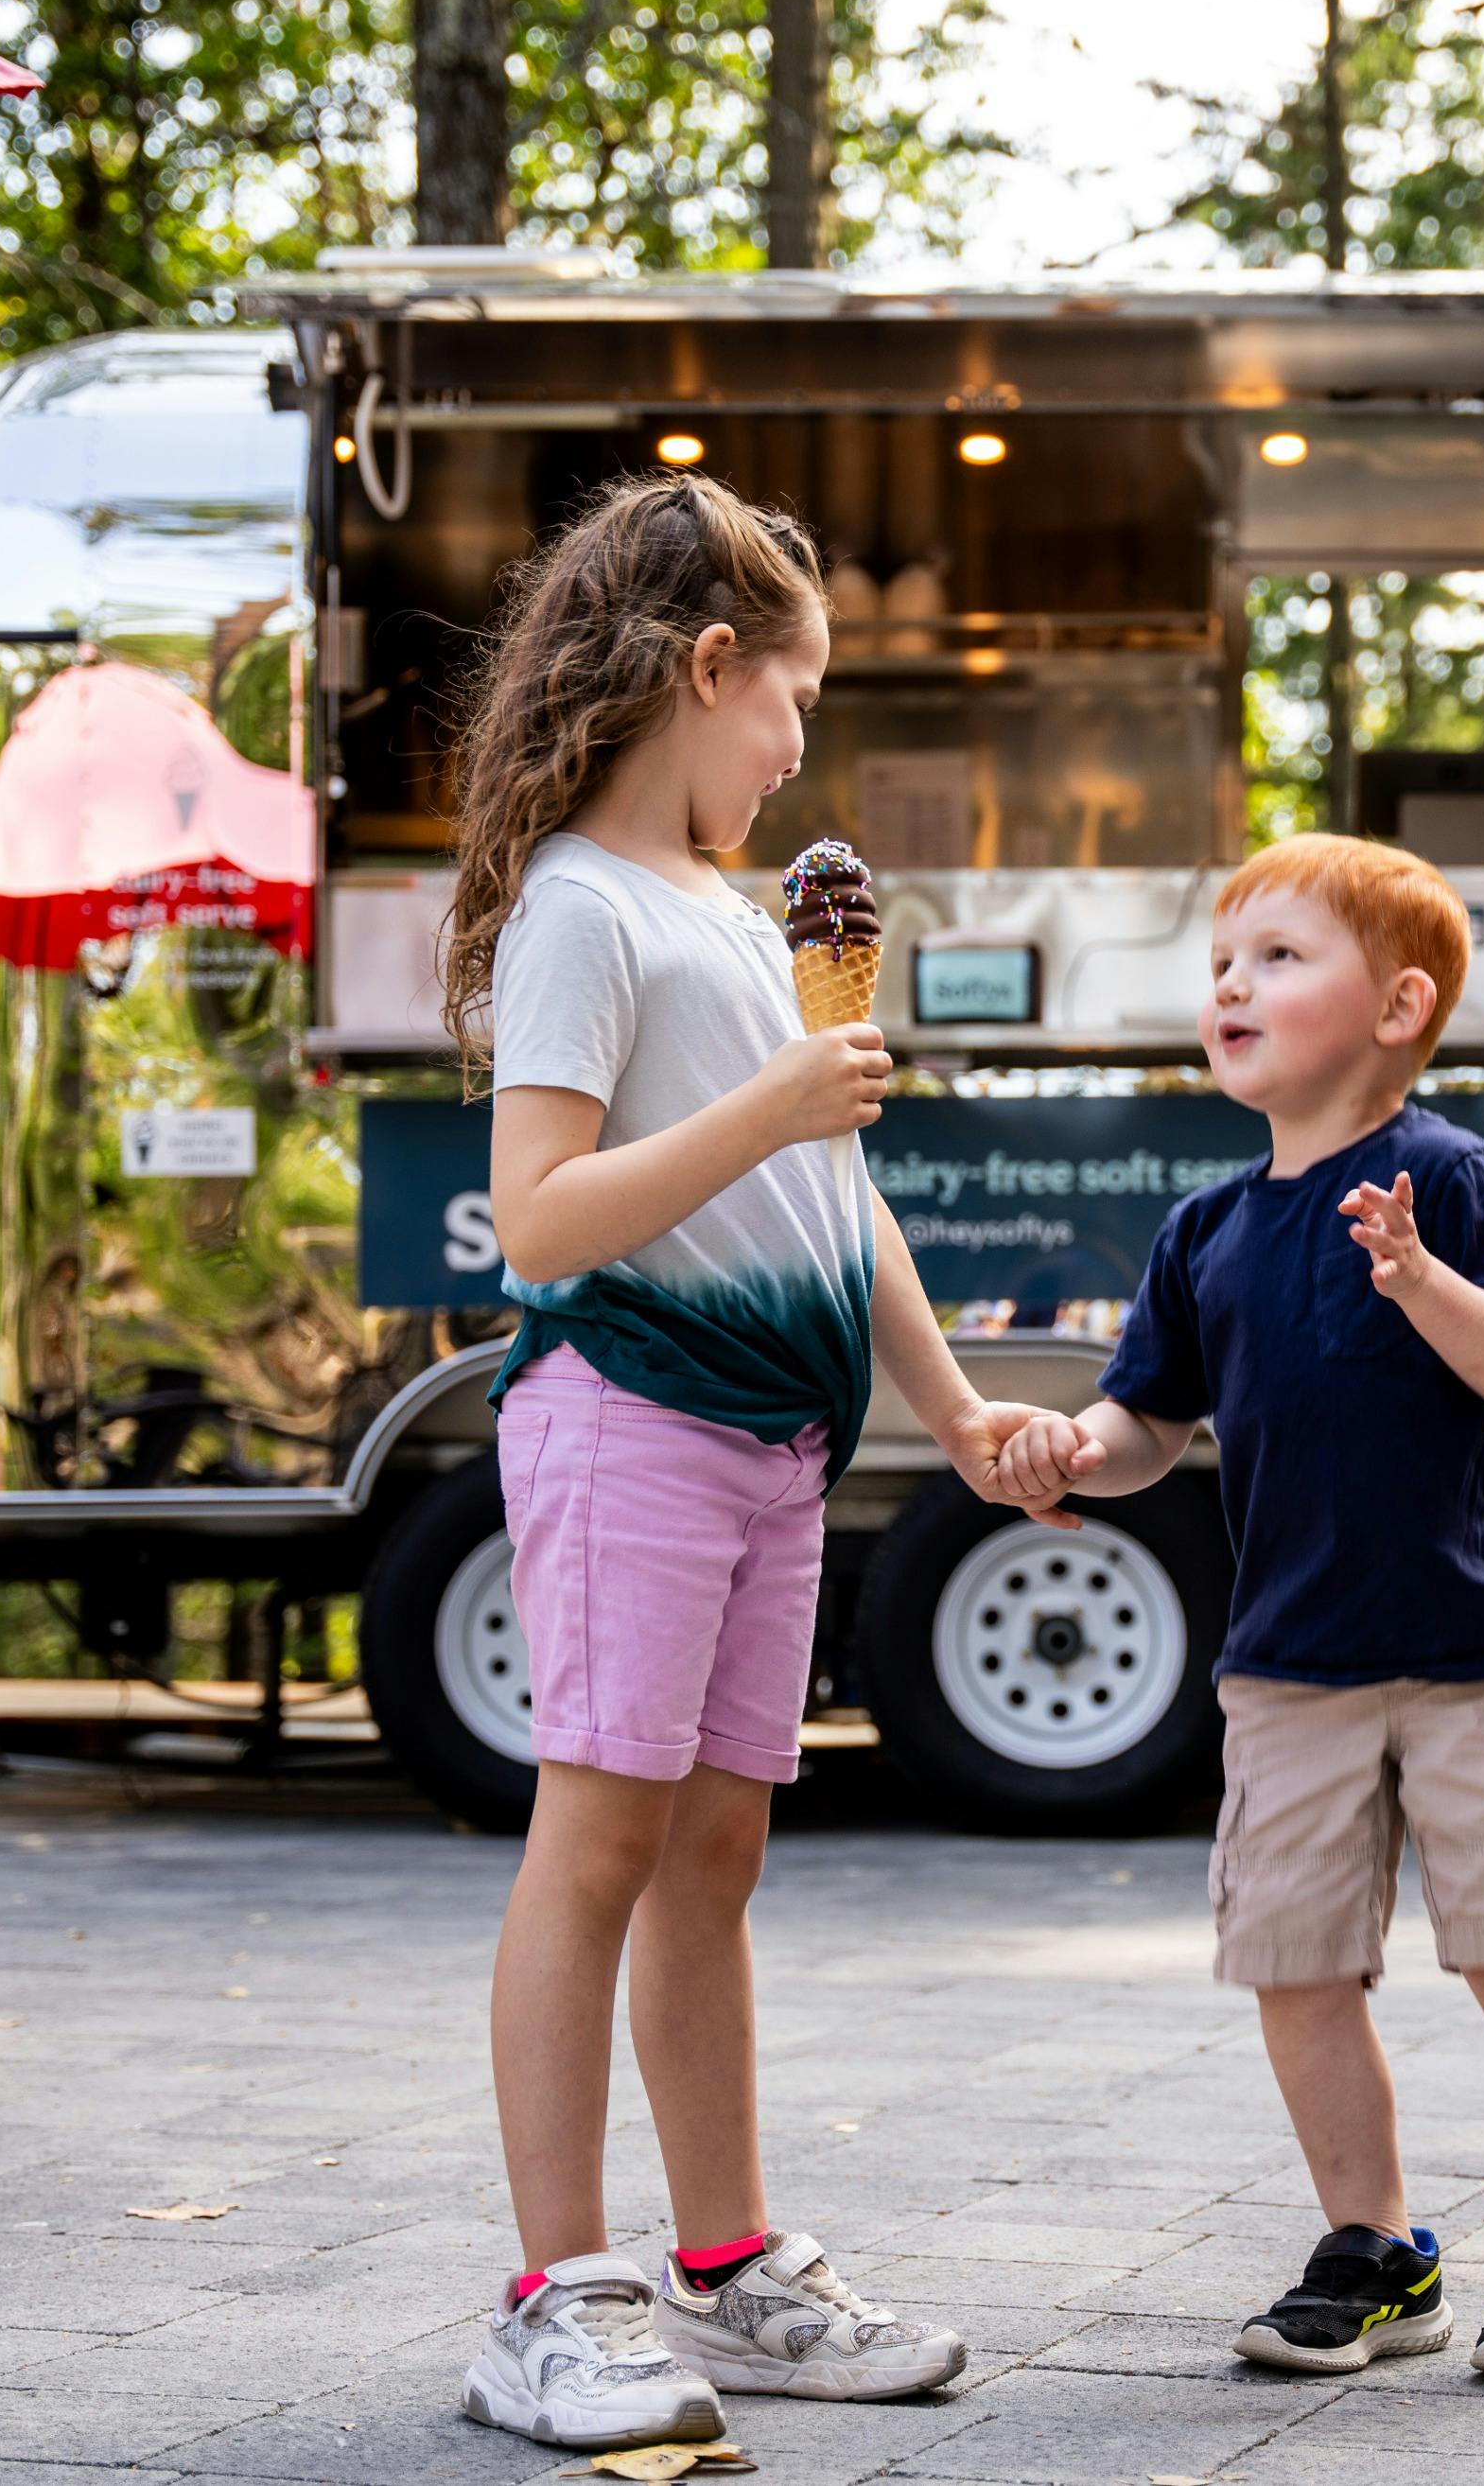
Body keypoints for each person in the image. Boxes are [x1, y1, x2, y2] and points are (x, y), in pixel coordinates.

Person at [438, 470, 1075, 2450]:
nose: (802, 749)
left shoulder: (728, 913)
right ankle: (556, 2293)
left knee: (713, 1851)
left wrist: (952, 1402)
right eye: (789, 702)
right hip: (629, 1419)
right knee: (601, 1839)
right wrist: (784, 1095)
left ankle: (724, 2270)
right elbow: (540, 1218)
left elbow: (837, 1188)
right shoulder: (581, 908)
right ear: (706, 670)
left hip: (770, 1446)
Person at [1002, 832, 1484, 2387]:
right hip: (1287, 1659)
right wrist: (1069, 1452)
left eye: (1281, 956)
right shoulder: (1206, 1231)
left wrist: (1424, 1280)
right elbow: (1148, 1421)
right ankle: (1374, 2244)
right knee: (1292, 1958)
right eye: (1224, 960)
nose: (1233, 982)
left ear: (1398, 1003)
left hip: (1478, 1645)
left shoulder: (1450, 1178)